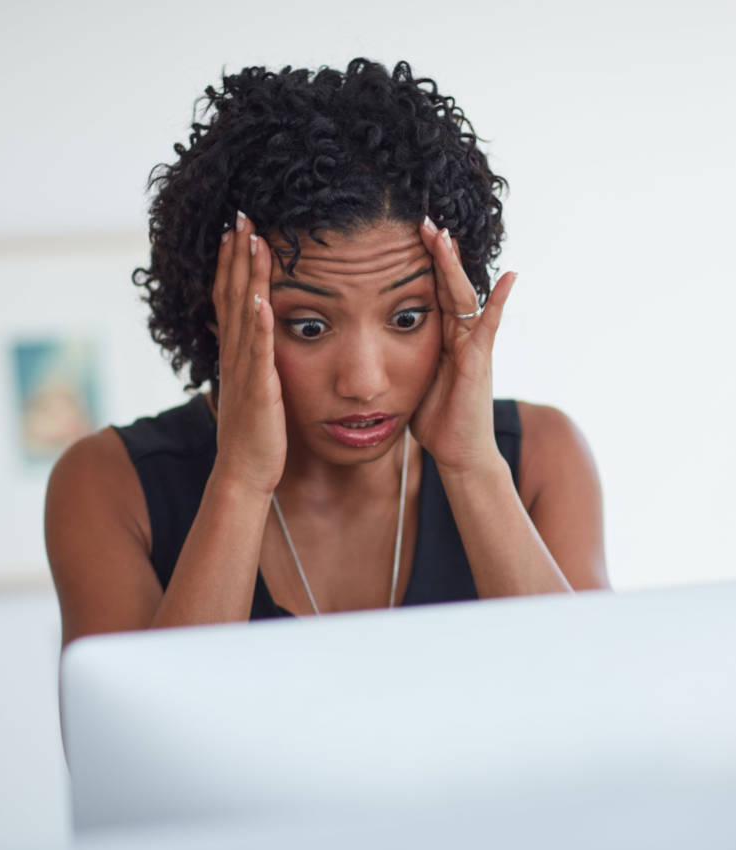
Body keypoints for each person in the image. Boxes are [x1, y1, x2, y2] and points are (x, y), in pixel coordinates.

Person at [44, 59, 607, 646]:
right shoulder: (109, 486)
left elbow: (595, 690)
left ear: (454, 303)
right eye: (309, 327)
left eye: (407, 318)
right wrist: (240, 480)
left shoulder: (541, 458)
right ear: (221, 312)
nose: (363, 382)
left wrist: (473, 469)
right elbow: (145, 711)